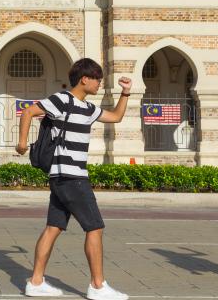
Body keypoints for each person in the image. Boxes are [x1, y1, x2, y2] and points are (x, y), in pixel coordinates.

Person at [15, 58, 133, 300]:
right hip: (72, 177)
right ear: (84, 79)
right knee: (95, 228)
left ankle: (36, 282)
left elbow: (116, 117)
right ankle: (97, 286)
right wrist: (22, 143)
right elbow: (29, 111)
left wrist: (126, 93)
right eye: (97, 78)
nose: (99, 83)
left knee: (53, 228)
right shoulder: (62, 100)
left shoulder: (88, 108)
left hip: (61, 178)